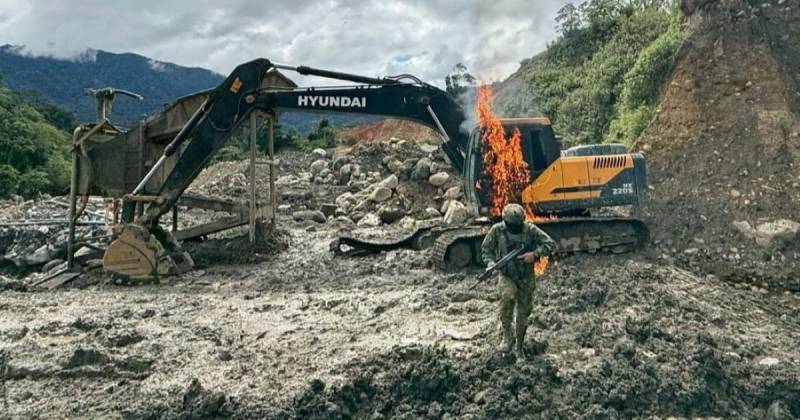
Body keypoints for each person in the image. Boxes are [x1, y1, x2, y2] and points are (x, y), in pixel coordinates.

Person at [480, 203, 555, 358]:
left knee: (523, 313)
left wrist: (534, 254)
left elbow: (550, 244)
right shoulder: (497, 230)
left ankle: (519, 346)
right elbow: (486, 250)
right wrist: (491, 264)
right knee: (507, 299)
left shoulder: (530, 230)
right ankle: (508, 337)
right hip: (507, 275)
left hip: (526, 277)